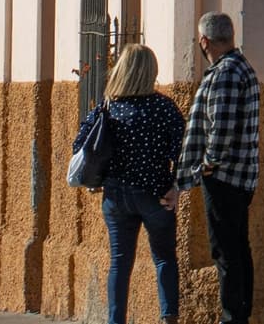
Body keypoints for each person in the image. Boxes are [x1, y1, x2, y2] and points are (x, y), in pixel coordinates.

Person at [73, 43, 184, 324]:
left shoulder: (109, 106)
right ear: (152, 72)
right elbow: (181, 151)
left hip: (115, 195)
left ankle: (115, 320)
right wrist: (176, 186)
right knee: (164, 259)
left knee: (120, 262)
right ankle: (168, 318)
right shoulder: (164, 108)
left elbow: (81, 144)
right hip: (155, 193)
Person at [175, 12, 260, 324]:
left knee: (225, 252)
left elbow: (220, 130)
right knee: (238, 247)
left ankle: (232, 316)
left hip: (224, 177)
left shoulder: (224, 73)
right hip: (241, 175)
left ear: (204, 41)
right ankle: (240, 313)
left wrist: (208, 165)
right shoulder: (242, 67)